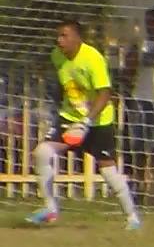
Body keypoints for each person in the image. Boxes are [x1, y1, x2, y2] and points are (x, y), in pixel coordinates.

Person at [26, 20, 142, 230]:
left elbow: (105, 93)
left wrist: (86, 121)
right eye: (58, 36)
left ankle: (132, 217)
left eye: (64, 36)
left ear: (78, 38)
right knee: (42, 152)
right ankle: (50, 208)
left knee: (108, 172)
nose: (59, 40)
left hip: (98, 123)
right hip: (69, 119)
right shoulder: (56, 56)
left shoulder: (93, 58)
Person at [122, 8, 154, 201]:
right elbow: (129, 65)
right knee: (138, 145)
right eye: (148, 22)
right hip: (138, 97)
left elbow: (151, 59)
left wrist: (135, 52)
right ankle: (139, 183)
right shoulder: (141, 43)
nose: (149, 26)